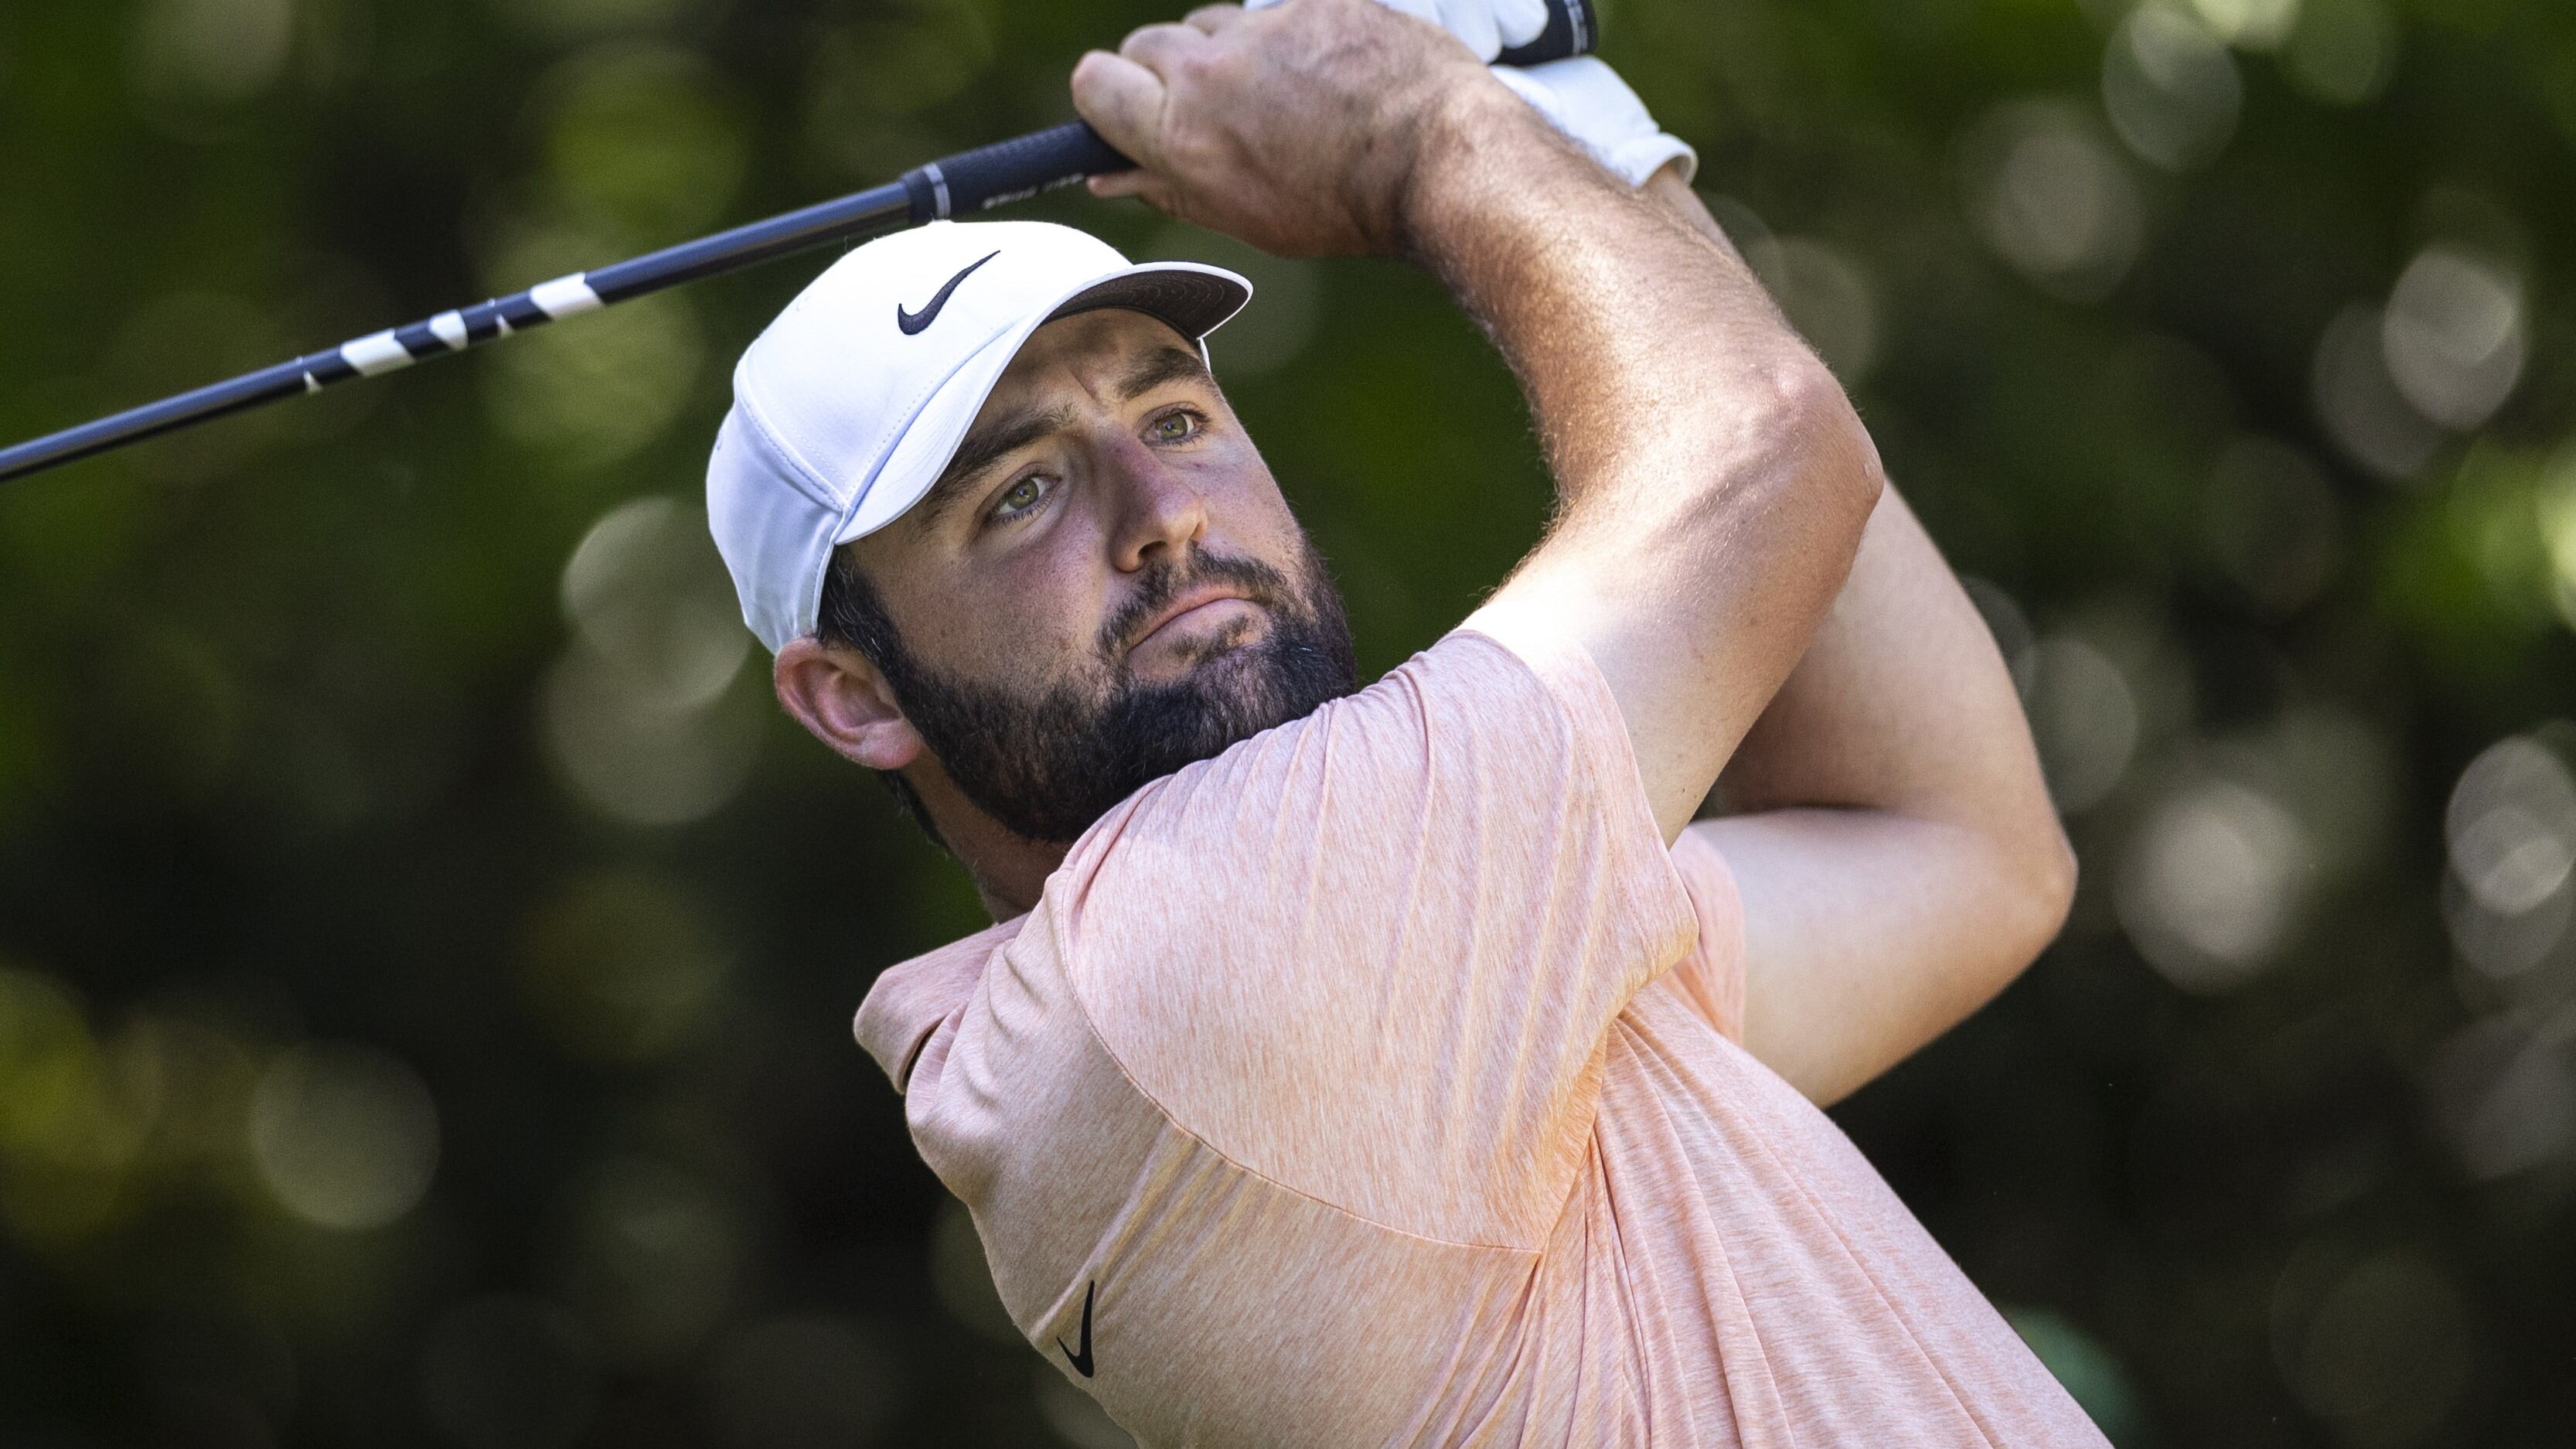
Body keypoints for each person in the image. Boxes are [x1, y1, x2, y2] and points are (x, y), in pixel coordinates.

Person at [703, 0, 2096, 1442]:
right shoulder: (1189, 961)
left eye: (1173, 417)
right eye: (1022, 494)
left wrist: (1563, 121)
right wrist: (1429, 124)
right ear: (854, 697)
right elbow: (1762, 450)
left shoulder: (1434, 976)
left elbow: (1962, 846)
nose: (1163, 513)